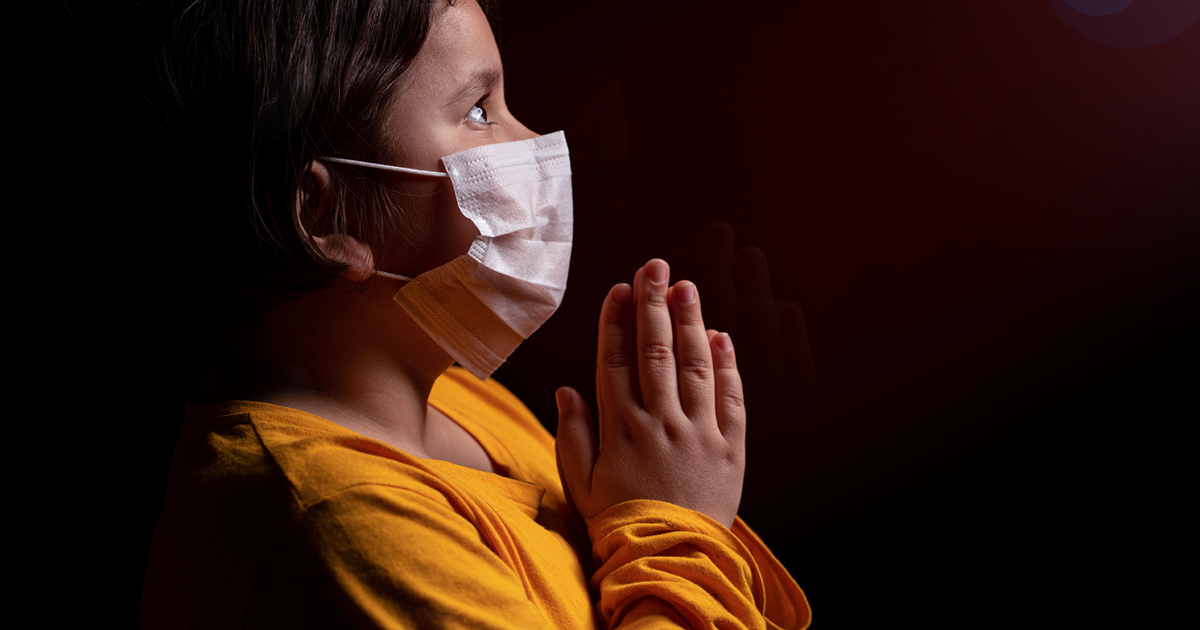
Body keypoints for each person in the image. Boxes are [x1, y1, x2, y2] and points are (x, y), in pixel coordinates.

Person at [141, 0, 811, 628]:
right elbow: (662, 537)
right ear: (326, 215)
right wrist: (675, 524)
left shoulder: (447, 391)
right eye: (481, 111)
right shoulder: (346, 525)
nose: (537, 140)